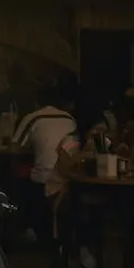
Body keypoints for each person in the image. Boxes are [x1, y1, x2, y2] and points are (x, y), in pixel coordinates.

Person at [12, 88, 80, 250]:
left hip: (46, 180)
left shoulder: (33, 118)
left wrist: (35, 147)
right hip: (70, 179)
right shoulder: (70, 119)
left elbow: (14, 149)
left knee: (18, 176)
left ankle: (25, 229)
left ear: (36, 103)